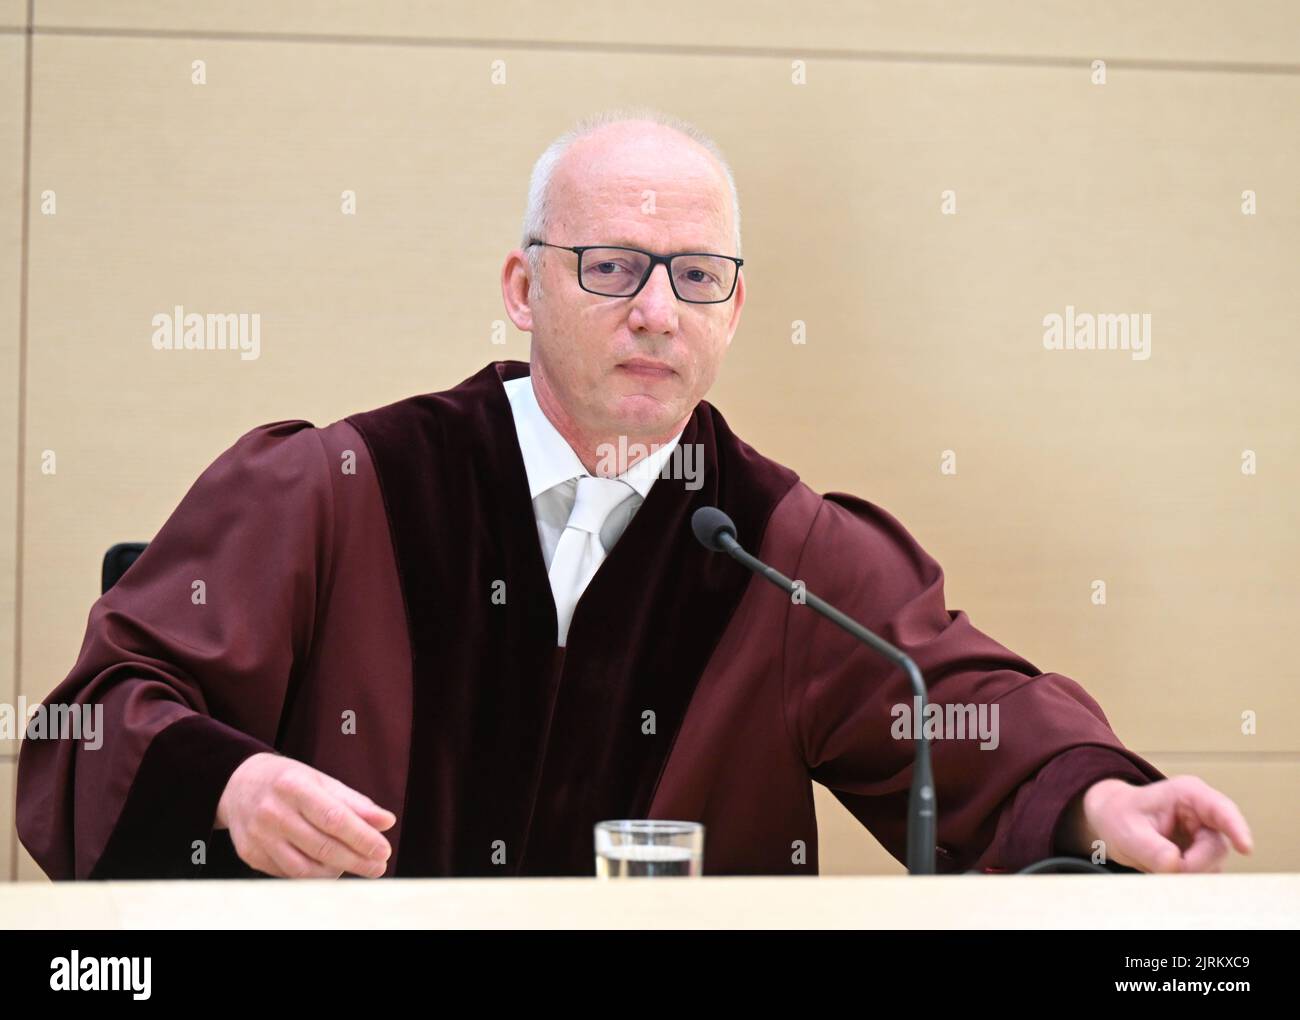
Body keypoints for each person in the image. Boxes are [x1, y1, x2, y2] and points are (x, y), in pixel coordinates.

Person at [17, 108, 1252, 880]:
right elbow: (102, 715)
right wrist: (229, 787)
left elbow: (961, 705)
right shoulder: (338, 489)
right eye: (609, 266)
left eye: (697, 275)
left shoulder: (782, 547)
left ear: (734, 306)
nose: (656, 310)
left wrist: (1098, 799)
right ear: (521, 285)